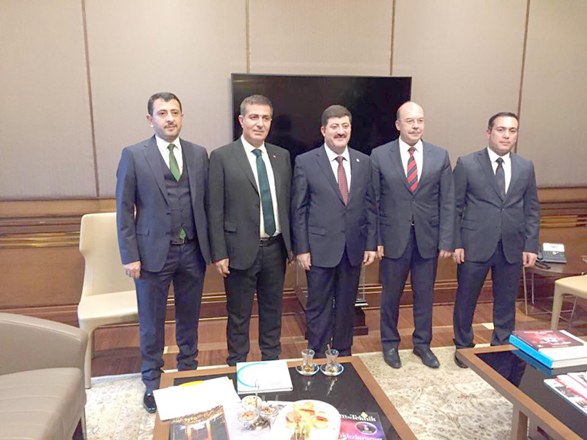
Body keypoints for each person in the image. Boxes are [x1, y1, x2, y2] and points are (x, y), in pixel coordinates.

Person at [116, 92, 210, 413]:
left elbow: (206, 203)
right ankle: (152, 381)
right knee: (151, 322)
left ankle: (187, 373)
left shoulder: (198, 154)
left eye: (175, 112)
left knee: (189, 318)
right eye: (162, 113)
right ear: (150, 119)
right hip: (151, 253)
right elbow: (124, 209)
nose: (169, 118)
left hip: (192, 251)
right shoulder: (134, 155)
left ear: (182, 116)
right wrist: (130, 255)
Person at [208, 94, 291, 366]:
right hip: (238, 250)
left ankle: (271, 362)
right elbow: (215, 208)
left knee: (273, 311)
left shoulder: (281, 156)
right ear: (241, 120)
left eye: (266, 118)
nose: (260, 123)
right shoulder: (222, 156)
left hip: (275, 249)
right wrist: (219, 253)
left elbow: (287, 203)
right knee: (238, 315)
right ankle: (237, 364)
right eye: (254, 117)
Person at [452, 112, 540, 368]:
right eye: (501, 130)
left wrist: (530, 244)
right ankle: (464, 347)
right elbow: (454, 207)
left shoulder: (525, 166)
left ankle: (501, 347)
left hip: (512, 246)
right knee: (466, 299)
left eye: (512, 131)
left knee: (506, 301)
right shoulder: (467, 163)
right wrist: (456, 242)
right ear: (489, 132)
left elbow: (531, 208)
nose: (506, 135)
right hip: (474, 244)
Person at [371, 101, 455, 369]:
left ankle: (422, 344)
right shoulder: (379, 155)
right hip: (392, 239)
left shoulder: (439, 155)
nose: (416, 126)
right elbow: (373, 202)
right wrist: (376, 240)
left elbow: (448, 201)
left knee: (425, 295)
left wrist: (446, 240)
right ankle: (389, 344)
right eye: (410, 121)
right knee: (390, 296)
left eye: (420, 120)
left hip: (427, 239)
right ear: (398, 125)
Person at [291, 105, 377, 358]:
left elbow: (371, 204)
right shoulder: (306, 162)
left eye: (345, 126)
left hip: (353, 248)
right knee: (318, 307)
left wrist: (371, 244)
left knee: (346, 307)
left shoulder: (364, 162)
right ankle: (317, 354)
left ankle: (343, 355)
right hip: (319, 249)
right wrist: (302, 249)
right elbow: (299, 208)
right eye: (335, 126)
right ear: (323, 130)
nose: (340, 131)